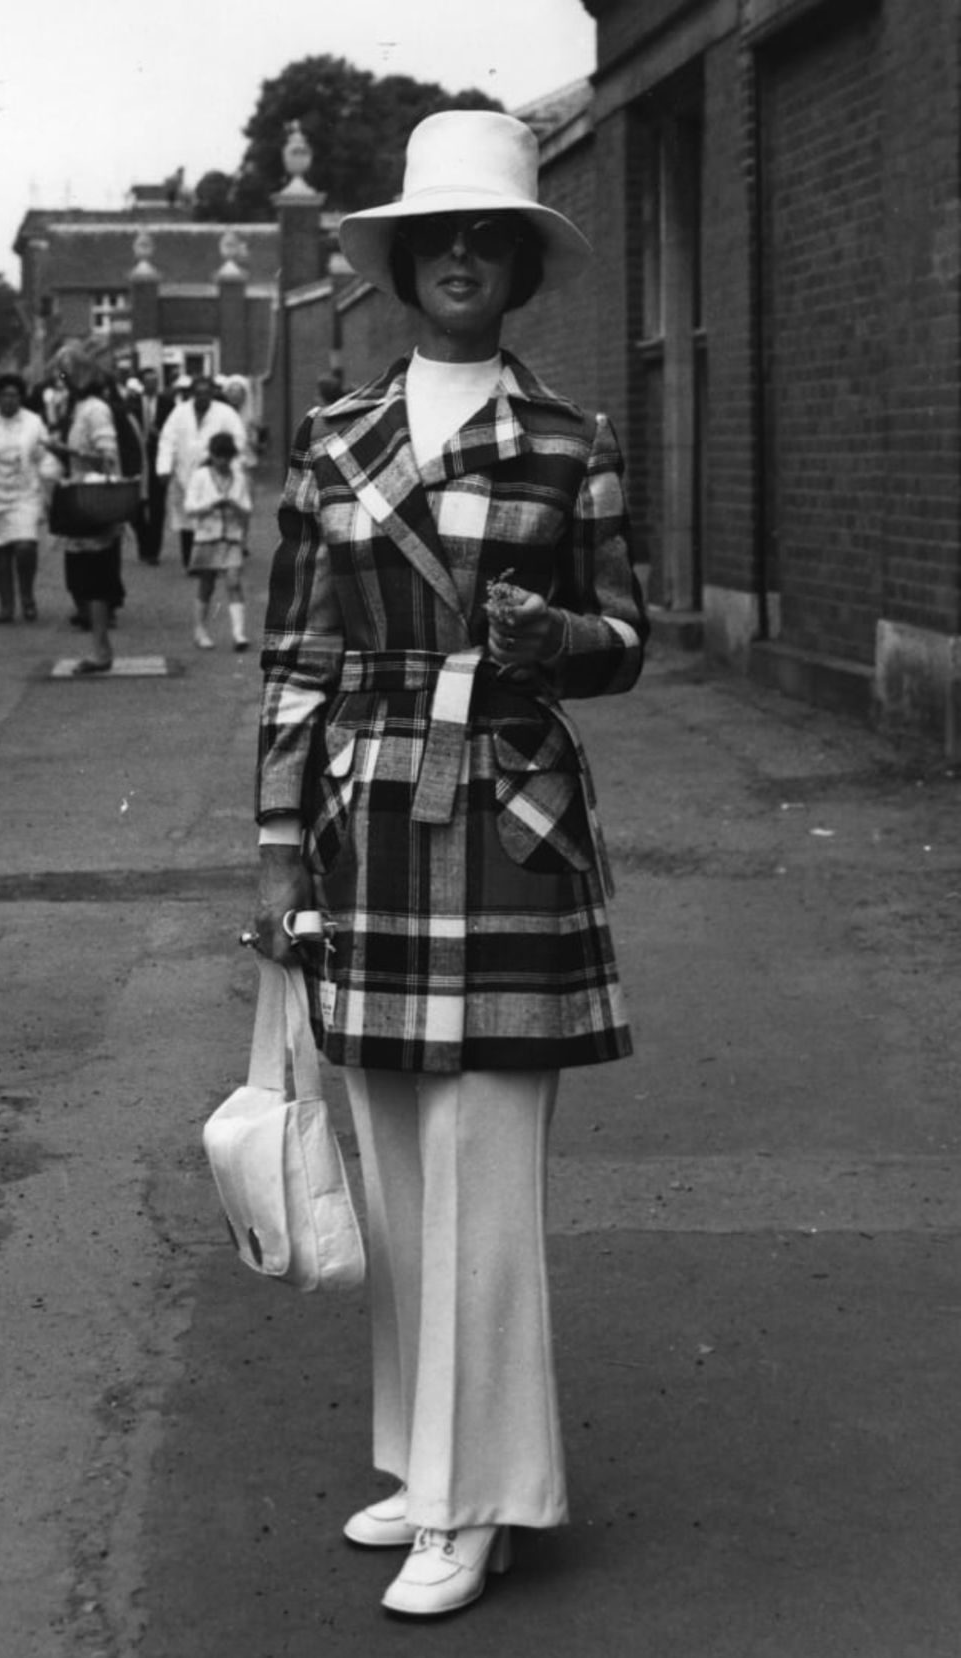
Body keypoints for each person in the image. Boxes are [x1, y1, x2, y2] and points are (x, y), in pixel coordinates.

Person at [249, 111, 649, 1619]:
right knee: (398, 1166)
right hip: (364, 819)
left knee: (481, 1170)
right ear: (408, 262)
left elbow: (628, 639)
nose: (466, 256)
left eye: (493, 236)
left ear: (518, 266)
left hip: (508, 819)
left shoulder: (569, 441)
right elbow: (294, 661)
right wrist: (277, 852)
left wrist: (564, 644)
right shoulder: (334, 442)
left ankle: (478, 1503)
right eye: (444, 236)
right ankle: (428, 1463)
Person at [45, 345, 124, 674]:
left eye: (66, 376)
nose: (62, 383)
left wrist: (67, 450)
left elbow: (109, 458)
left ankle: (101, 650)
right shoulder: (76, 409)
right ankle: (100, 647)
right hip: (81, 499)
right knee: (81, 578)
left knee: (93, 580)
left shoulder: (95, 410)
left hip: (94, 501)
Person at [0, 372, 49, 623]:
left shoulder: (33, 422)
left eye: (14, 395)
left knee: (26, 546)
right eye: (4, 394)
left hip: (24, 492)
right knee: (0, 552)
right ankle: (6, 606)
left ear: (21, 397)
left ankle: (27, 597)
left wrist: (47, 476)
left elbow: (46, 455)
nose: (9, 400)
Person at [156, 373, 246, 570]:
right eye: (198, 393)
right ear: (192, 394)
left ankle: (214, 561)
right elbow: (167, 440)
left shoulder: (225, 413)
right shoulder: (179, 413)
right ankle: (190, 561)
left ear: (213, 393)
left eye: (207, 393)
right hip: (183, 474)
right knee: (186, 518)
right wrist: (164, 467)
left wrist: (224, 462)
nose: (203, 397)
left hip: (213, 475)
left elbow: (238, 441)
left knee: (211, 516)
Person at [182, 430, 252, 651]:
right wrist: (212, 504)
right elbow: (190, 507)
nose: (223, 461)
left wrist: (234, 504)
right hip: (207, 537)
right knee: (207, 584)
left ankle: (239, 633)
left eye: (227, 457)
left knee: (233, 581)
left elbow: (247, 508)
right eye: (219, 456)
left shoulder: (238, 477)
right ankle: (200, 630)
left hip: (231, 537)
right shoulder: (200, 476)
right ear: (211, 455)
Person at [128, 366, 174, 564]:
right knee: (135, 506)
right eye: (148, 381)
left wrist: (160, 434)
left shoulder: (167, 403)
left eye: (155, 380)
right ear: (142, 383)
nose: (152, 384)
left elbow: (172, 431)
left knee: (157, 507)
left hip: (157, 460)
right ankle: (143, 542)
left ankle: (153, 551)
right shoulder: (132, 403)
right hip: (137, 461)